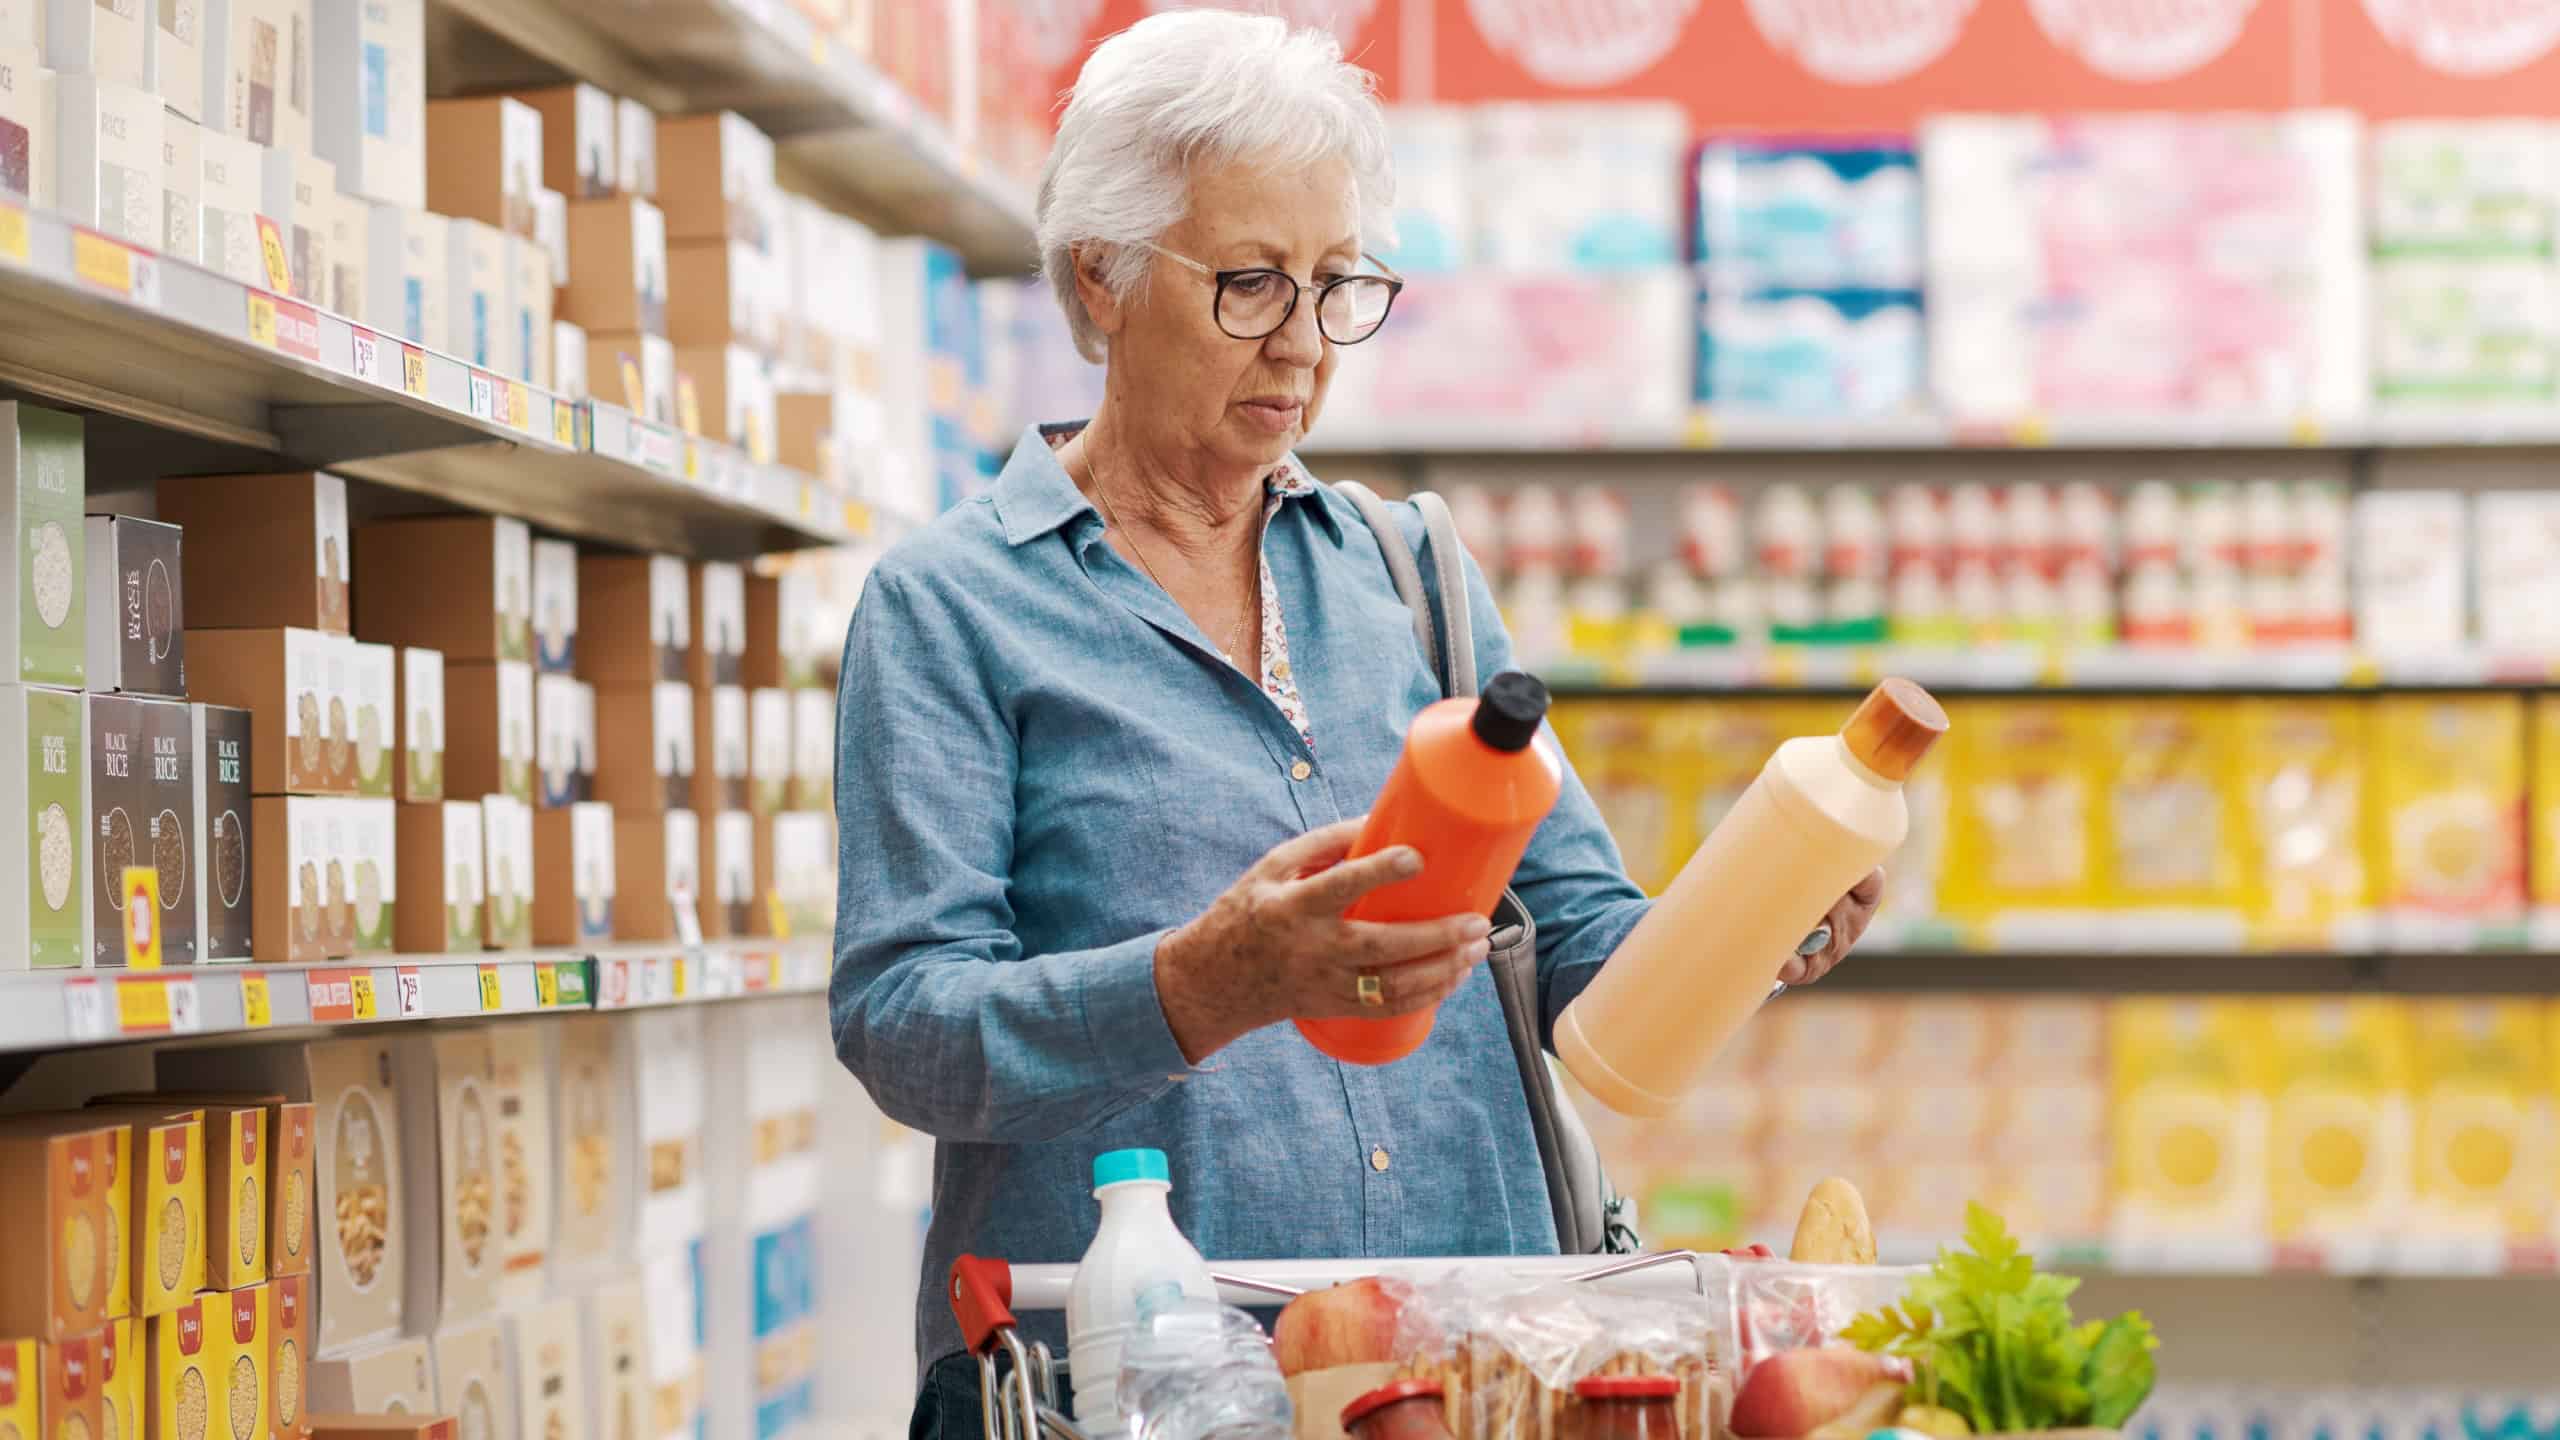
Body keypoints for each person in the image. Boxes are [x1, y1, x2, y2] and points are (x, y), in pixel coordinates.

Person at [828, 11, 1884, 1432]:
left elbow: (1577, 945)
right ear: (1102, 278)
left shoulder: (1414, 573)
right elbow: (903, 1025)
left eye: (1339, 286)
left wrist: (1749, 921)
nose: (1305, 345)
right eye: (1253, 284)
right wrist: (1208, 982)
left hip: (1460, 1370)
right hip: (1138, 1385)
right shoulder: (953, 607)